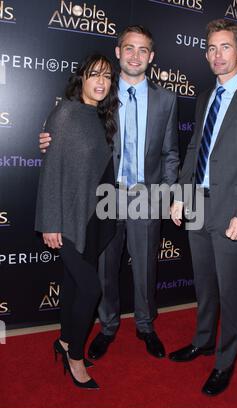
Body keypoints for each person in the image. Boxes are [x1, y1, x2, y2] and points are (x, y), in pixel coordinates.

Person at [39, 25, 179, 360]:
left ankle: (145, 326)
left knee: (145, 268)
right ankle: (107, 327)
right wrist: (48, 140)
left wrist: (167, 193)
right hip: (105, 196)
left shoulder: (166, 100)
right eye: (128, 48)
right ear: (118, 53)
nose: (135, 56)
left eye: (142, 50)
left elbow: (171, 152)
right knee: (104, 268)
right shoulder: (103, 93)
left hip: (146, 196)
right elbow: (72, 127)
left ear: (151, 57)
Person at [169, 19, 237, 396]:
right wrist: (181, 195)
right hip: (198, 206)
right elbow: (192, 151)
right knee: (204, 284)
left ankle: (225, 359)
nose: (217, 55)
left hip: (234, 213)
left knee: (231, 291)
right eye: (211, 48)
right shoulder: (204, 97)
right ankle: (203, 341)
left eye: (225, 47)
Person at [35, 53, 118, 389]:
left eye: (107, 77)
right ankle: (75, 356)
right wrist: (51, 223)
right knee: (90, 287)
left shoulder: (101, 116)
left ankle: (65, 340)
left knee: (72, 284)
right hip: (68, 218)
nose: (100, 81)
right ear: (81, 77)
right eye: (94, 74)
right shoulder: (66, 112)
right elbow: (51, 170)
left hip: (94, 216)